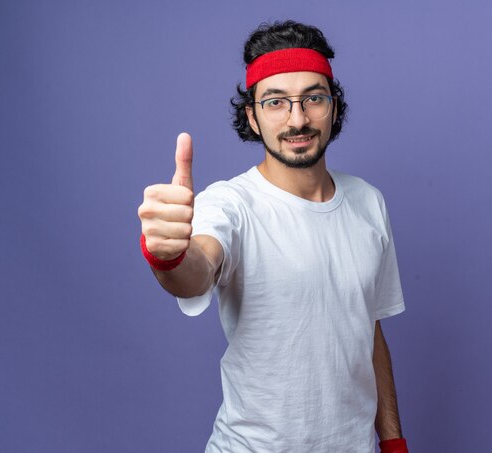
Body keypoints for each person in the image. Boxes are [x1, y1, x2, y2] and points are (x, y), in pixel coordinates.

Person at [138, 20, 409, 453]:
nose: (297, 119)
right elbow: (198, 270)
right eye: (276, 102)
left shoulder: (369, 202)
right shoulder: (230, 204)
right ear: (252, 115)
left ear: (334, 107)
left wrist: (393, 440)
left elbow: (368, 332)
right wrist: (169, 257)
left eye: (312, 98)